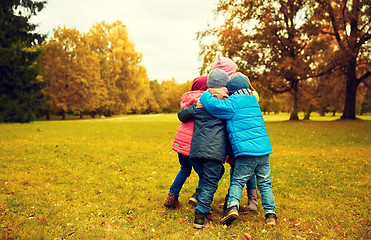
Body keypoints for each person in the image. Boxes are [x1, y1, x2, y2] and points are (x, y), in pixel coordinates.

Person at [199, 75, 277, 226]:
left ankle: (232, 206)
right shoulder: (253, 101)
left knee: (237, 180)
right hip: (264, 152)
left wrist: (205, 95)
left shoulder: (233, 102)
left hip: (246, 152)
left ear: (232, 91)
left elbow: (215, 106)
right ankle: (270, 215)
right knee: (265, 183)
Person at [178, 68, 231, 229]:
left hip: (196, 151)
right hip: (214, 152)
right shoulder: (226, 104)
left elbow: (182, 115)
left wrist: (194, 106)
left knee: (215, 174)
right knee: (210, 182)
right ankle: (200, 215)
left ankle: (199, 197)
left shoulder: (201, 102)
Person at [213, 56, 259, 213]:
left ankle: (252, 200)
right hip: (232, 134)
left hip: (244, 134)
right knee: (235, 167)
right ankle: (232, 201)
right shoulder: (223, 88)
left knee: (246, 167)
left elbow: (252, 99)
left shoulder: (239, 81)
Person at [164, 76, 208, 209]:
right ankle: (198, 197)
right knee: (203, 173)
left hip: (180, 141)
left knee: (184, 169)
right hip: (192, 144)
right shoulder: (205, 100)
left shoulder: (187, 99)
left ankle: (172, 196)